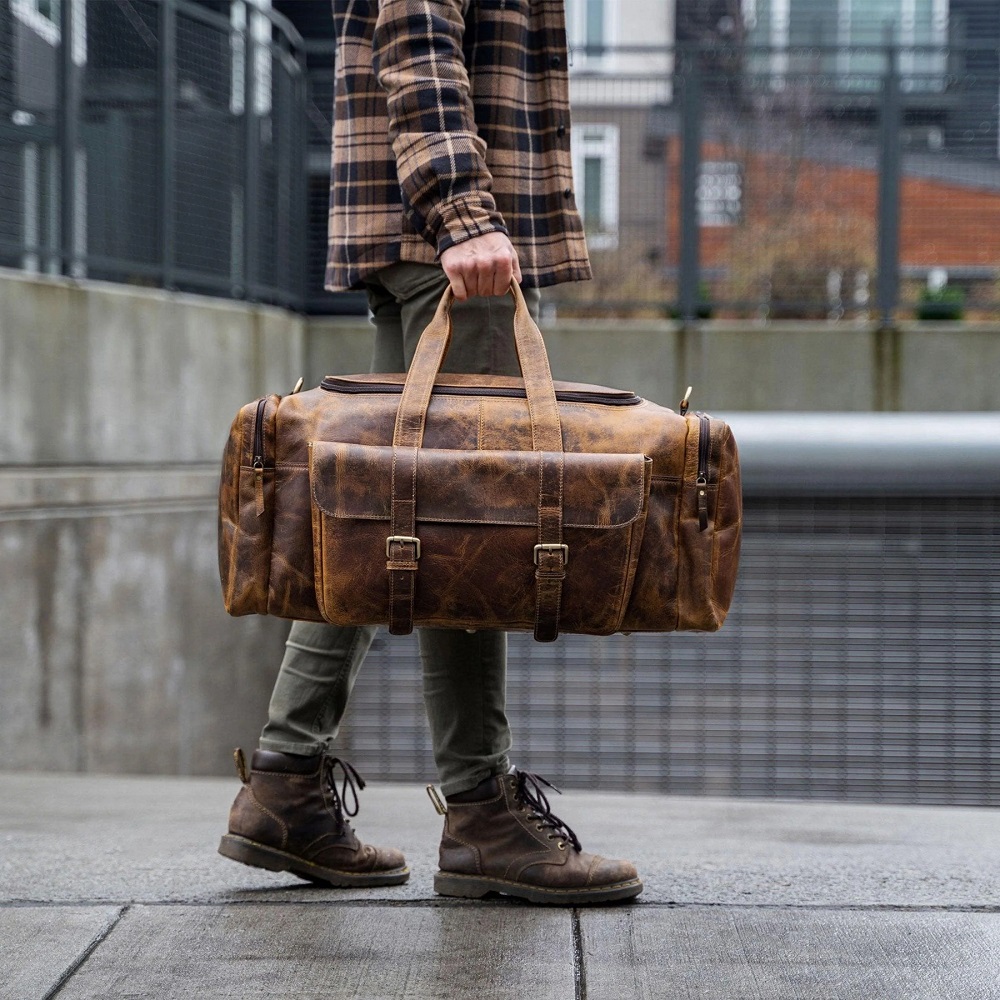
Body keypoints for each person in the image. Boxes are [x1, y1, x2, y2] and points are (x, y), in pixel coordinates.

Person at [218, 0, 643, 906]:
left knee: (384, 508)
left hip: (427, 230)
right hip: (446, 231)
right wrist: (465, 213)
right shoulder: (459, 223)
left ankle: (287, 783)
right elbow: (413, 34)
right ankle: (482, 809)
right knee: (469, 510)